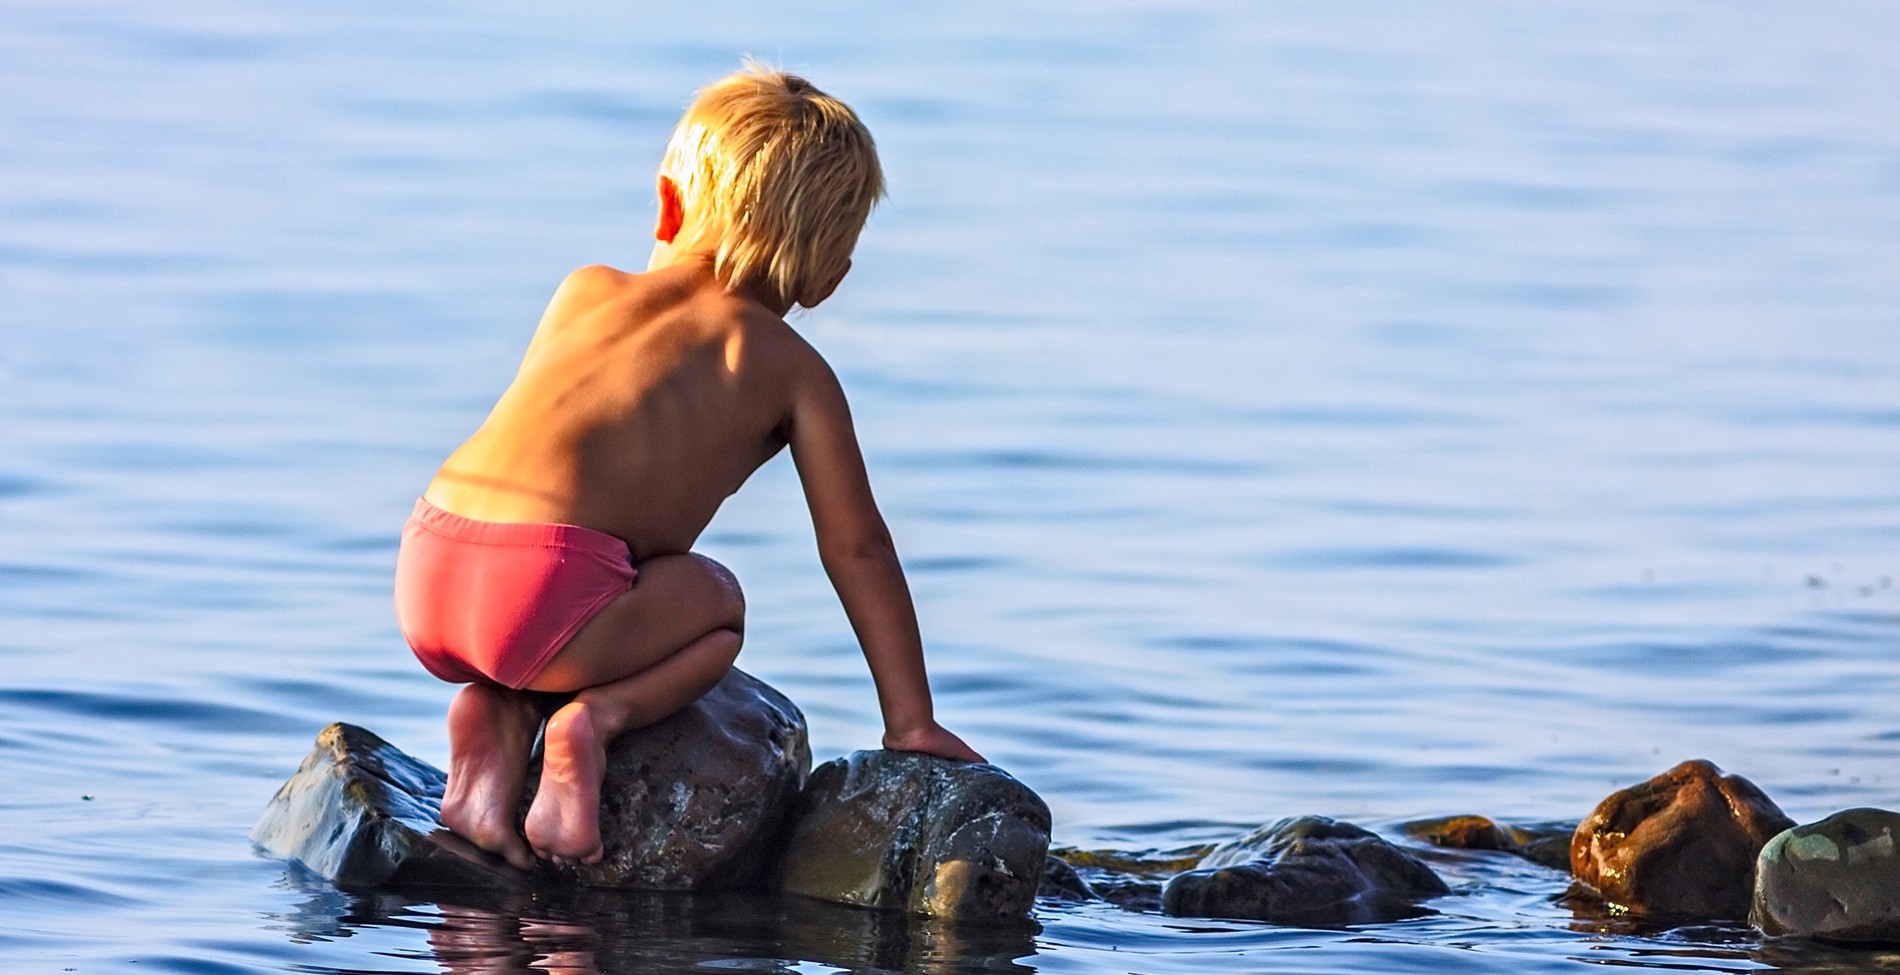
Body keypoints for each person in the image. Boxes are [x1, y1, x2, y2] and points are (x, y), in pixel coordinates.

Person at [393, 62, 984, 870]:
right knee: (717, 601)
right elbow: (858, 548)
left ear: (668, 202)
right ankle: (586, 726)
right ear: (829, 279)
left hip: (431, 564)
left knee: (578, 594)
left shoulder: (584, 289)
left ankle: (489, 752)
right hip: (547, 594)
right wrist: (909, 722)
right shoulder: (787, 368)